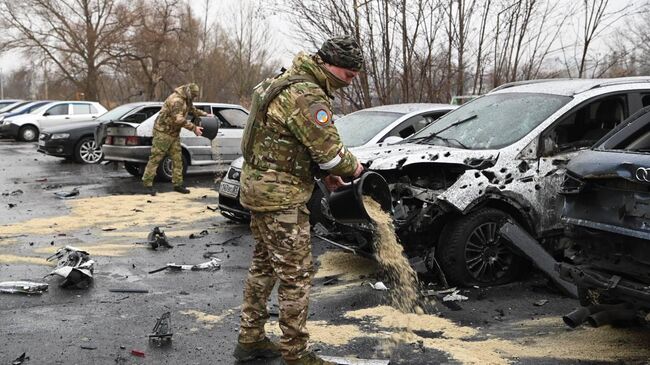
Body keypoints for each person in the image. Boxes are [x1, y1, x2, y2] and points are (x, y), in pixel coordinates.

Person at [233, 36, 365, 365]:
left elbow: (283, 145)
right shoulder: (307, 94)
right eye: (348, 74)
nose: (350, 81)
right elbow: (331, 154)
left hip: (258, 190)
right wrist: (353, 167)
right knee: (296, 277)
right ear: (328, 62)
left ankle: (250, 339)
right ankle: (296, 354)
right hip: (282, 198)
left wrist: (322, 175)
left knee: (263, 268)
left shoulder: (282, 80)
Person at [142, 83, 206, 196]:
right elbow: (179, 119)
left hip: (174, 133)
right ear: (189, 92)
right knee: (156, 158)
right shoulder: (176, 101)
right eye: (194, 96)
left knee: (177, 159)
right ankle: (147, 183)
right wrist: (194, 128)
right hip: (163, 132)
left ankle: (178, 184)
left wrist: (205, 114)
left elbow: (192, 110)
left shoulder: (187, 99)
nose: (194, 98)